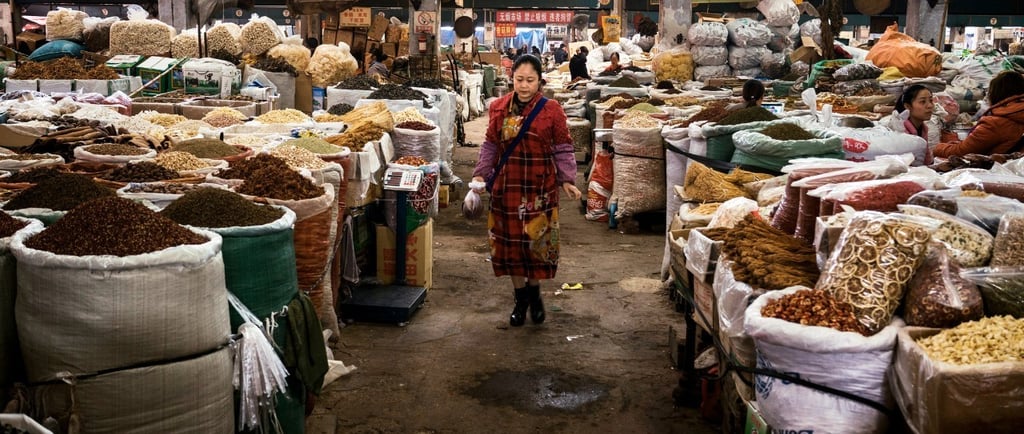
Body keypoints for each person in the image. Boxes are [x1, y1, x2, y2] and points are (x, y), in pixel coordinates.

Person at [471, 55, 582, 327]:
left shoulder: (552, 110)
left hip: (539, 189)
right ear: (512, 79)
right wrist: (480, 173)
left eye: (529, 80)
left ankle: (535, 294)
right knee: (511, 247)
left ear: (539, 81)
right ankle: (520, 299)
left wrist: (567, 179)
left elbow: (562, 146)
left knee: (536, 246)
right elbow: (491, 146)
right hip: (507, 188)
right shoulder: (498, 108)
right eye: (519, 79)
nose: (523, 85)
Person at [934, 70, 1024, 158]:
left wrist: (933, 147)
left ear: (996, 94)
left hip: (1001, 170)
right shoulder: (1013, 115)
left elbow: (960, 152)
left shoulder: (994, 124)